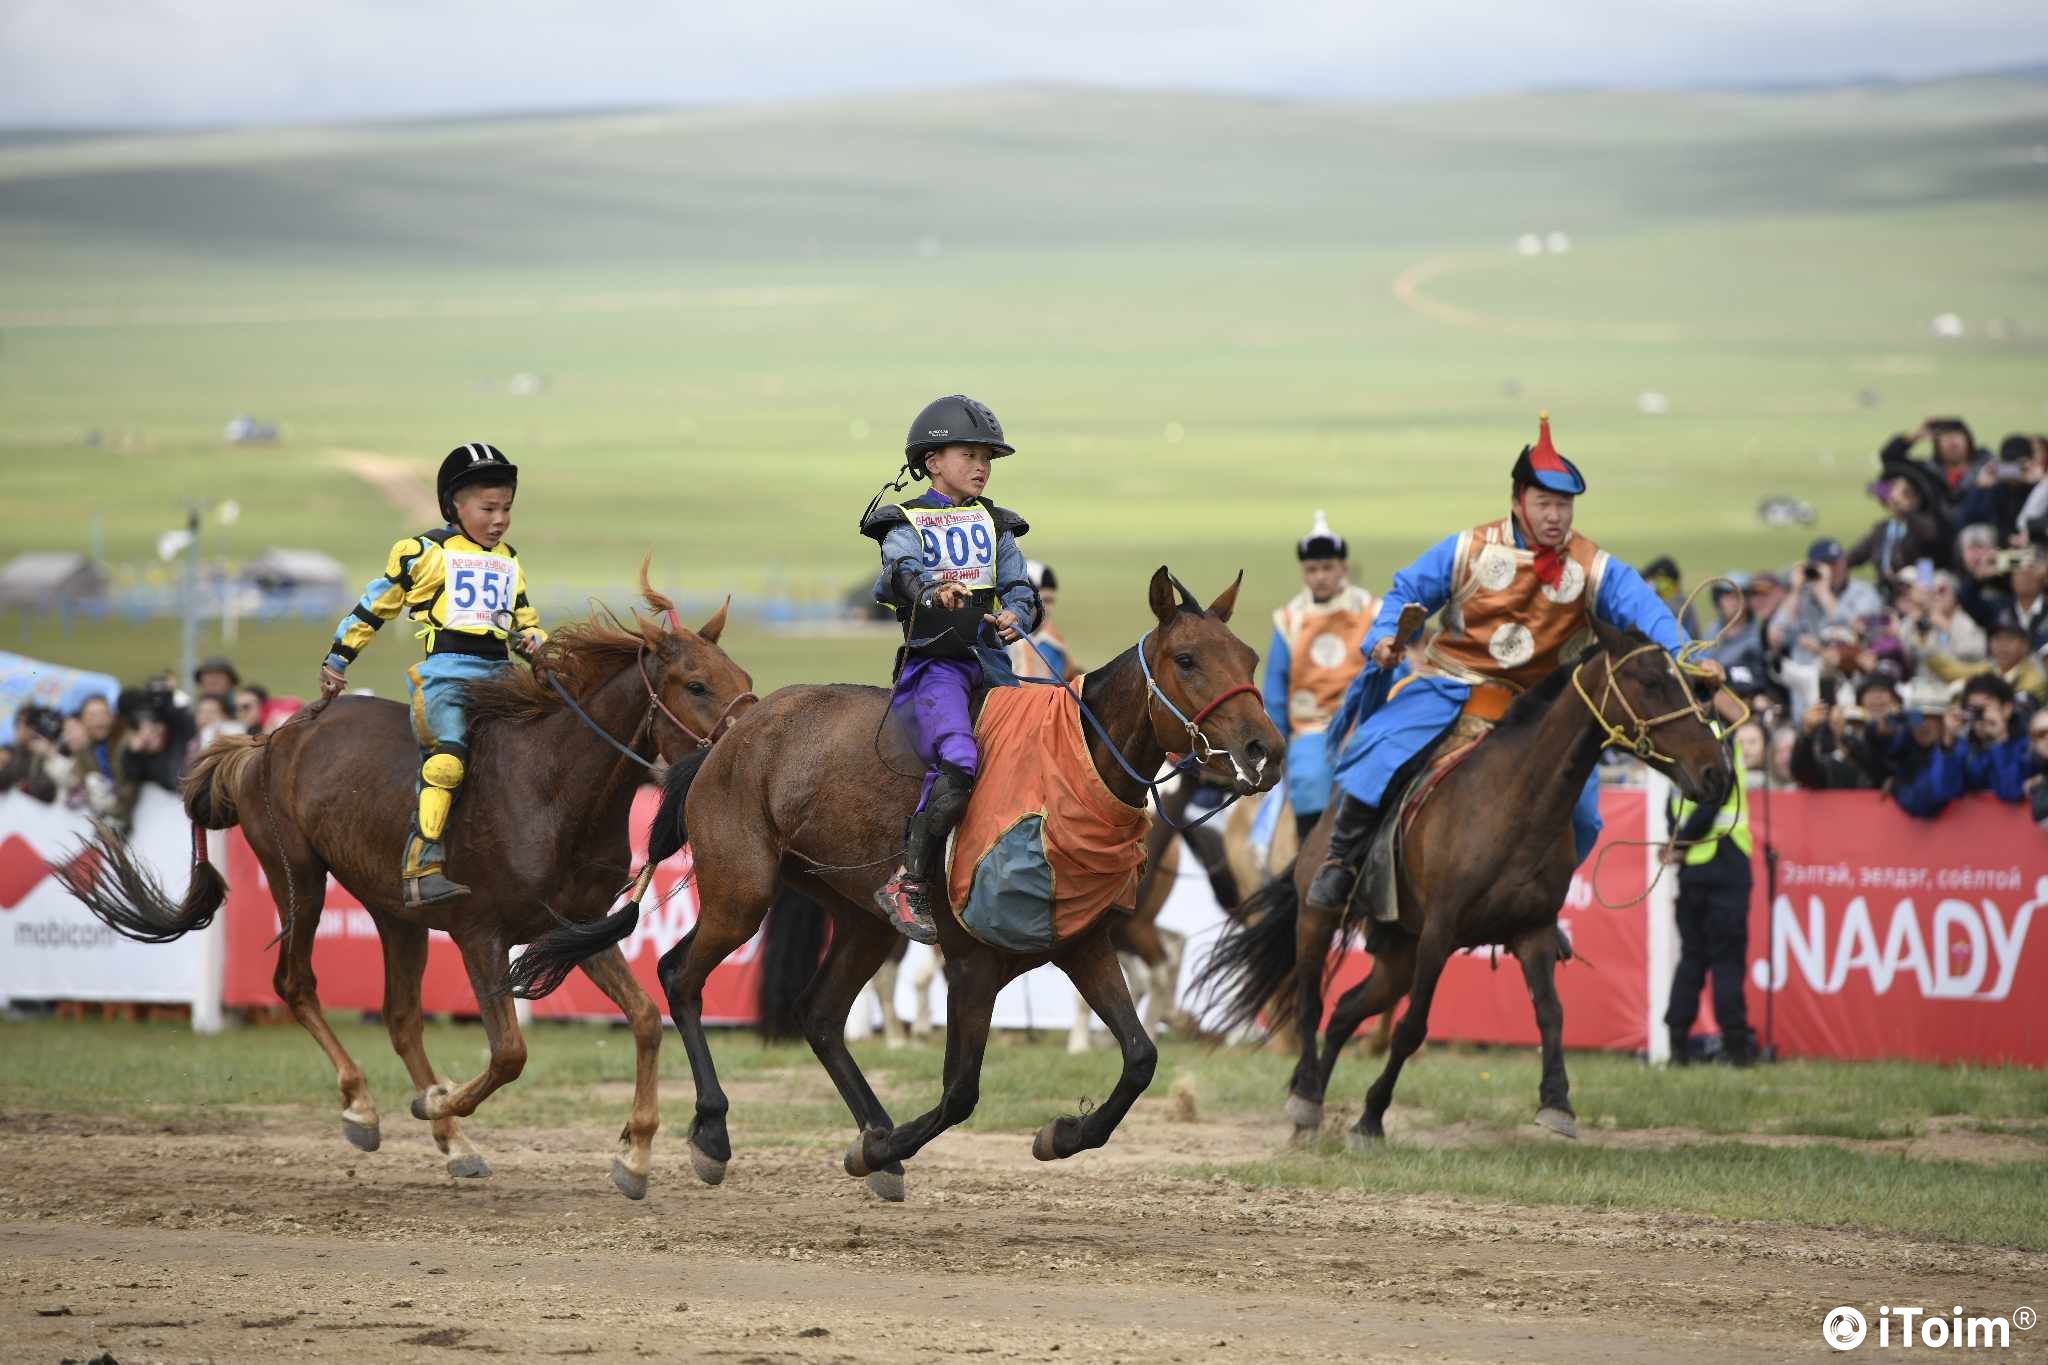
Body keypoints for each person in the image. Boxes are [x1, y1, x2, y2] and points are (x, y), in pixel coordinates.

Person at [1315, 412, 1723, 917]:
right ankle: (1342, 864)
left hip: (1543, 712)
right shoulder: (1467, 549)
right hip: (1453, 688)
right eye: (1544, 503)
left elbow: (1648, 611)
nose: (1555, 516)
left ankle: (1532, 905)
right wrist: (1383, 639)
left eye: (1564, 505)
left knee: (1585, 820)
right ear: (1516, 502)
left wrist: (1690, 657)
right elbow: (1406, 591)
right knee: (1375, 756)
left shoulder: (1594, 567)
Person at [318, 442, 545, 907]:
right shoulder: (424, 552)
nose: (499, 519)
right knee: (447, 760)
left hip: (503, 674)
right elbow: (375, 606)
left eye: (506, 508)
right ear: (454, 507)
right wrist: (339, 657)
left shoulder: (509, 560)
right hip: (446, 675)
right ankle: (421, 866)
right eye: (488, 508)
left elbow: (525, 618)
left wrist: (537, 641)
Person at [861, 395, 1038, 943]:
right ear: (933, 461)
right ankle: (908, 883)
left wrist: (1017, 613)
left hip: (992, 669)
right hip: (933, 668)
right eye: (970, 454)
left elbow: (1019, 587)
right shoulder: (903, 520)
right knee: (959, 759)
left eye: (988, 457)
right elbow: (901, 571)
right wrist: (935, 589)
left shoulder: (997, 523)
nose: (982, 466)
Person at [1263, 511, 1376, 843]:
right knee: (1310, 779)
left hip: (1362, 723)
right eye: (1313, 570)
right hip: (1311, 729)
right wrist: (1276, 749)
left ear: (1342, 567)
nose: (1321, 577)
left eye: (1327, 568)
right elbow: (1275, 691)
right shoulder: (1289, 620)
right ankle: (1310, 861)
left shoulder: (1371, 611)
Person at [1663, 728, 1755, 1066]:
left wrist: (1679, 843)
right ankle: (1736, 1049)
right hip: (1726, 866)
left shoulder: (1677, 741)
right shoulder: (1721, 739)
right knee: (1726, 962)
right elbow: (1715, 799)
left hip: (1692, 871)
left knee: (1692, 959)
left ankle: (1677, 1047)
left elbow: (1672, 806)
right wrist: (1684, 841)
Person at [1892, 673, 2030, 818]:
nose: (1979, 717)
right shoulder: (1962, 748)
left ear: (2007, 709)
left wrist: (1999, 741)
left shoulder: (2029, 744)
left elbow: (2011, 791)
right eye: (1973, 710)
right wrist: (1948, 741)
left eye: (1984, 709)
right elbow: (1942, 790)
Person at [1925, 607, 2048, 706]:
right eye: (1997, 639)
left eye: (2010, 639)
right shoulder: (1988, 669)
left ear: (2024, 645)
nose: (2003, 645)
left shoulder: (2034, 678)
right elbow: (1952, 671)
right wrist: (1926, 647)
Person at [1007, 560, 1074, 681]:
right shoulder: (1000, 642)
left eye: (1051, 602)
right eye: (1044, 600)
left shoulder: (1053, 642)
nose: (1048, 609)